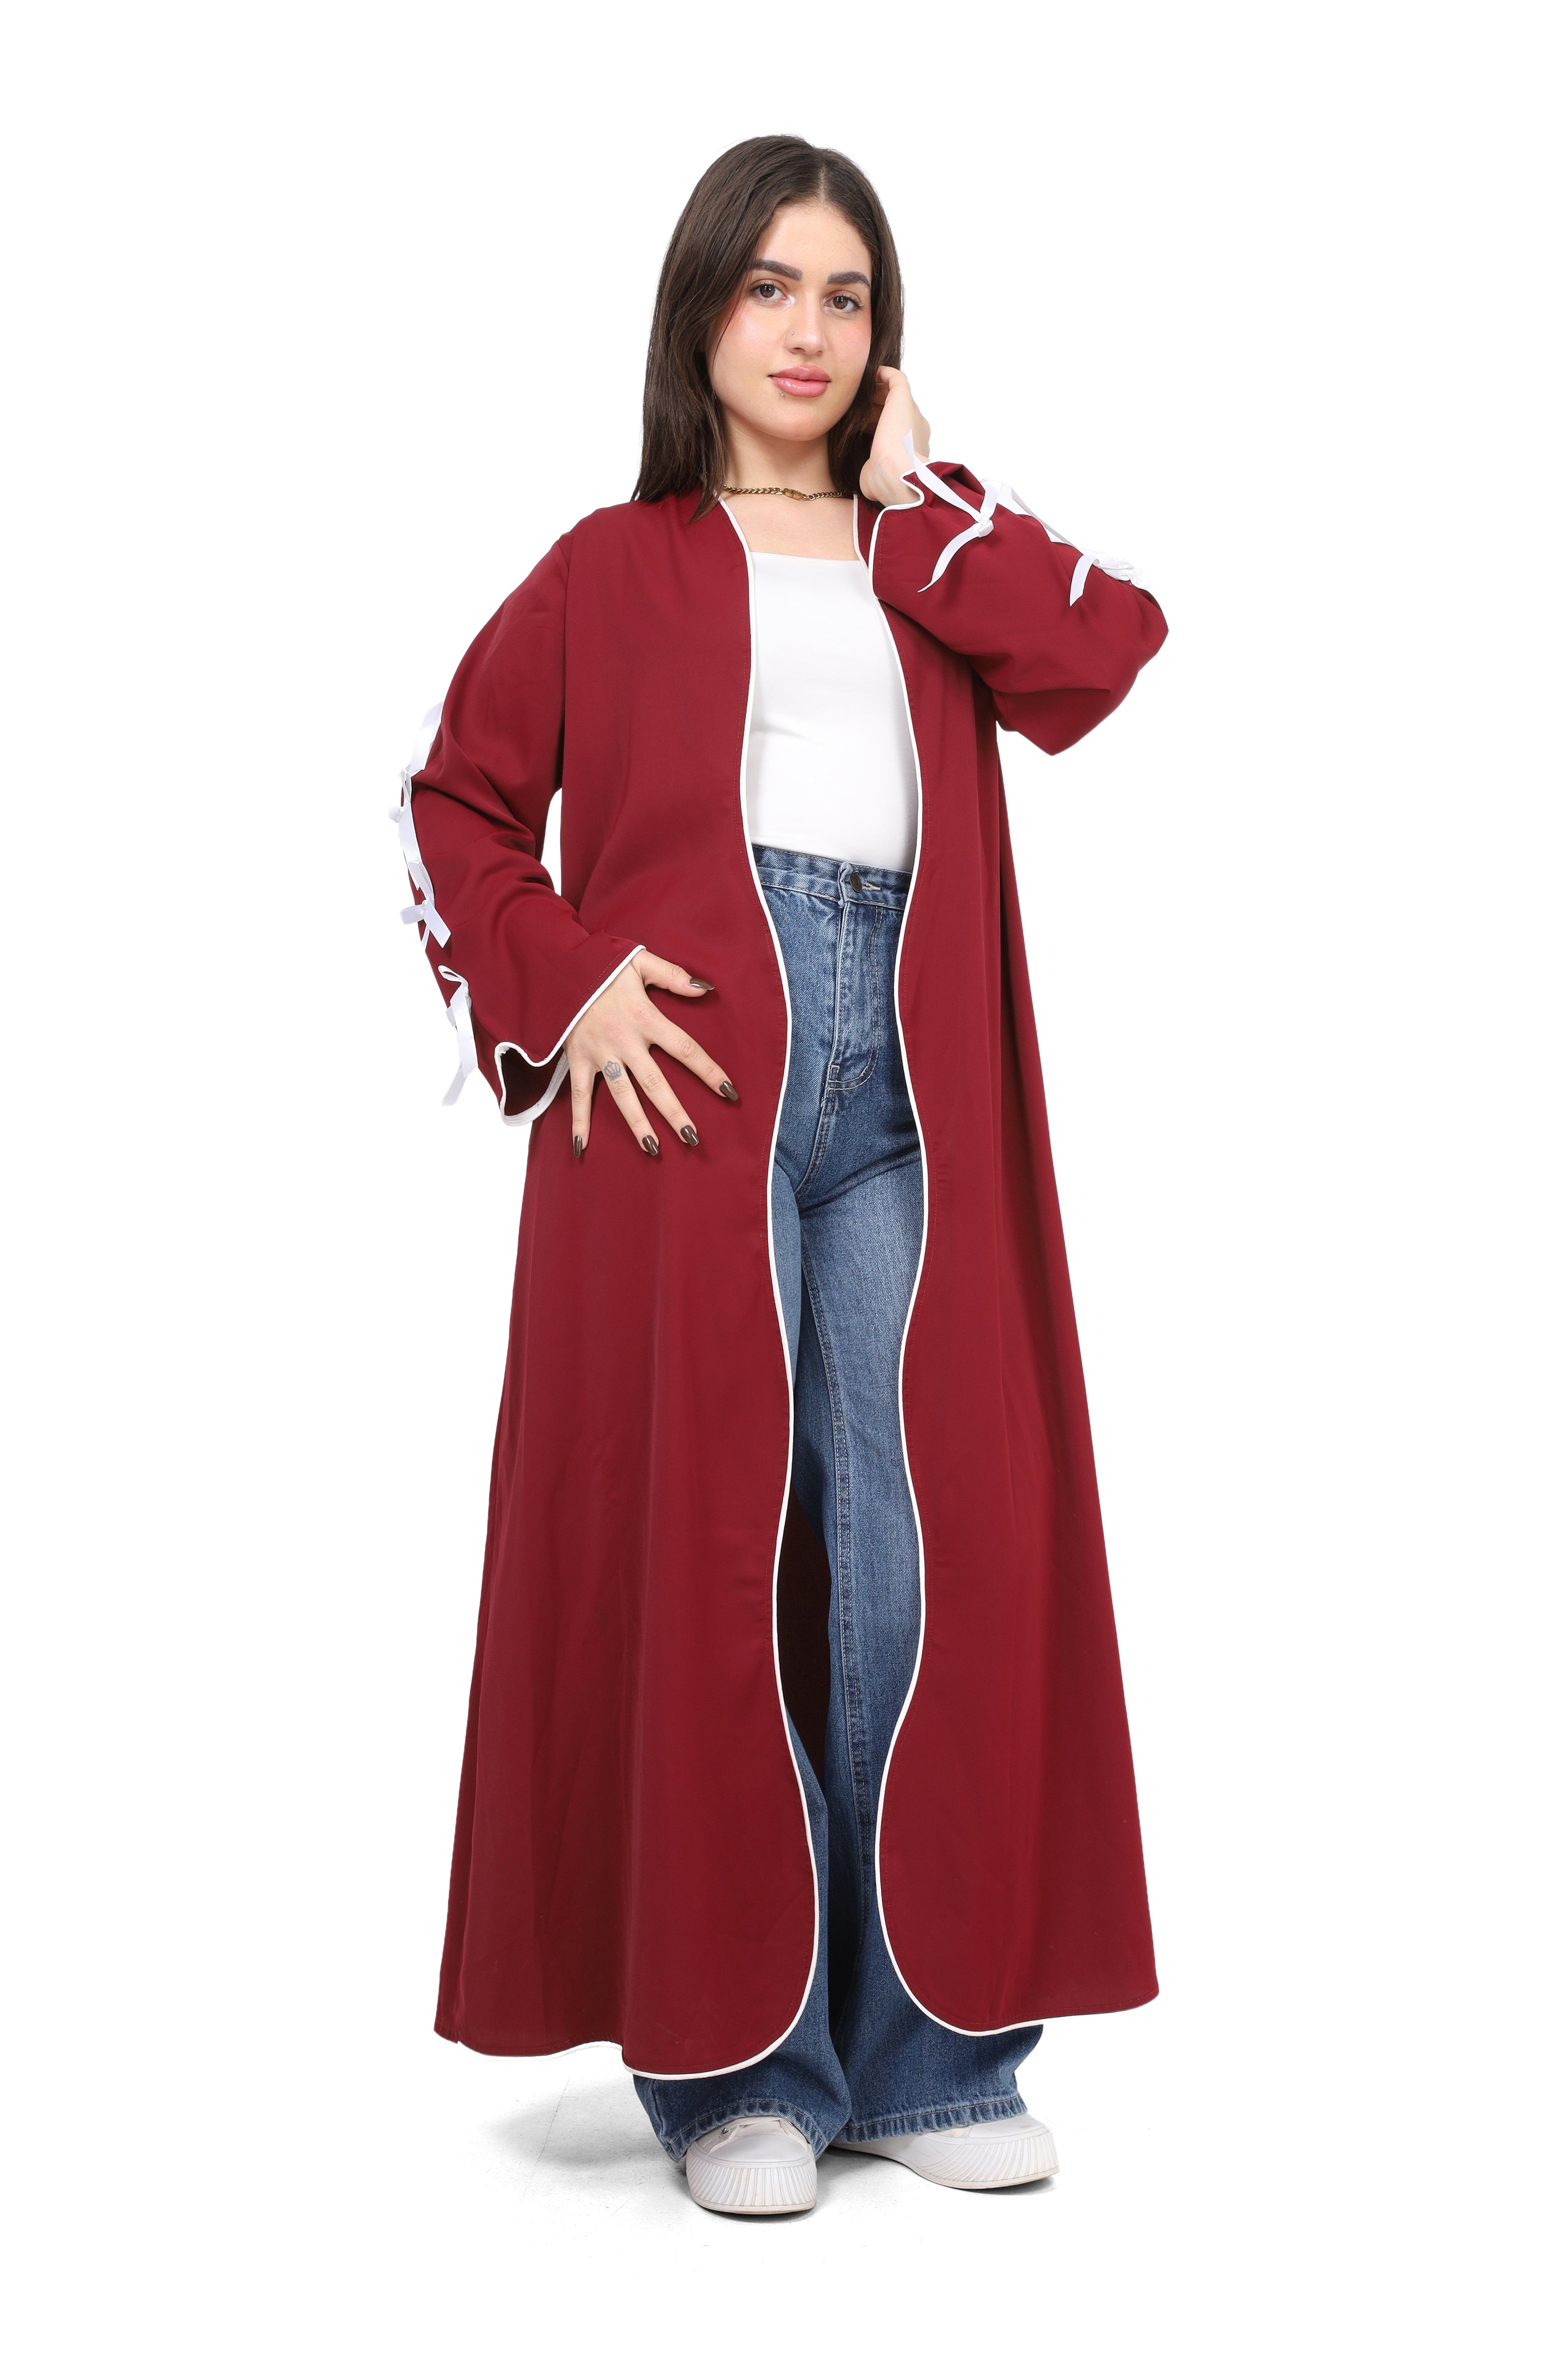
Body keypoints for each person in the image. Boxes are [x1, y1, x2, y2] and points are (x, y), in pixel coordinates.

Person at [397, 134, 1168, 2216]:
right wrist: (565, 982)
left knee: (911, 1561)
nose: (807, 331)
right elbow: (455, 804)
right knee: (719, 1558)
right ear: (702, 314)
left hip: (911, 1102)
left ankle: (926, 2055)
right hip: (690, 1107)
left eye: (844, 295)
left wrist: (928, 492)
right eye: (768, 288)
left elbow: (1105, 656)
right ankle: (732, 2068)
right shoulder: (610, 564)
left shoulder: (925, 551)